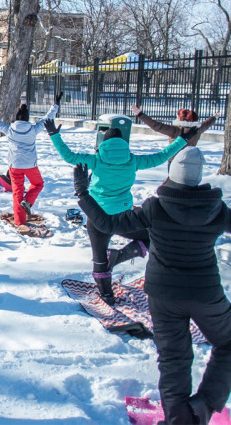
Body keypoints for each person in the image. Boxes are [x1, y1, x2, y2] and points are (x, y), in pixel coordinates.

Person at [73, 150, 231, 425]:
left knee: (173, 357)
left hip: (163, 294)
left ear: (172, 175)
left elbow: (106, 223)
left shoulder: (155, 208)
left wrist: (83, 193)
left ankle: (180, 419)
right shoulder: (217, 209)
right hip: (206, 294)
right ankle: (203, 407)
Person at [46, 119, 192, 305]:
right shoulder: (133, 161)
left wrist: (54, 135)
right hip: (124, 216)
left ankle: (106, 295)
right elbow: (162, 156)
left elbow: (70, 157)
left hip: (97, 215)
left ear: (103, 144)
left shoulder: (96, 160)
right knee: (151, 237)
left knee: (99, 258)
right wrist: (183, 140)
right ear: (124, 144)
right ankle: (119, 256)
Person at [0, 92, 60, 225]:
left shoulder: (9, 130)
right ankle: (28, 201)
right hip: (30, 165)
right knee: (38, 184)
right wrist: (56, 104)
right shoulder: (33, 129)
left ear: (16, 118)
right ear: (27, 119)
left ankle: (20, 221)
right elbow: (48, 118)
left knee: (17, 192)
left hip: (14, 165)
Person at [131, 105, 219, 158]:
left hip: (174, 159)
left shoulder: (175, 130)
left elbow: (156, 126)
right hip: (190, 158)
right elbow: (207, 123)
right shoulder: (197, 129)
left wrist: (140, 114)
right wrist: (214, 117)